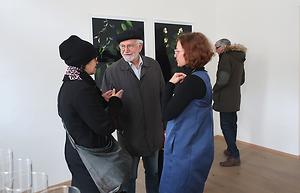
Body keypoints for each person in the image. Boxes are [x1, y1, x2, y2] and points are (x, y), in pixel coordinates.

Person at [57, 35, 124, 193]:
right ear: (83, 63)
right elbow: (104, 126)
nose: (97, 62)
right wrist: (115, 102)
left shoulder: (70, 84)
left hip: (76, 150)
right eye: (94, 59)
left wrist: (101, 100)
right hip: (88, 157)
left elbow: (82, 112)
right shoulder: (81, 89)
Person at [101, 29, 165, 193]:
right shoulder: (112, 71)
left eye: (129, 46)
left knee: (154, 173)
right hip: (129, 135)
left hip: (153, 133)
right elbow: (106, 104)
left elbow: (162, 97)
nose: (125, 50)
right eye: (122, 46)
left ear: (140, 47)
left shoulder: (154, 66)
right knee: (129, 178)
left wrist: (164, 126)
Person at [159, 32, 214, 193]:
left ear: (190, 52)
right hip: (196, 146)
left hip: (186, 151)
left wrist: (169, 85)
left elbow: (167, 113)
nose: (174, 53)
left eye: (177, 50)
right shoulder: (202, 76)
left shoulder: (192, 81)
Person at [213, 38, 247, 167]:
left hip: (225, 99)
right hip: (235, 97)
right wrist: (233, 86)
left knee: (226, 125)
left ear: (224, 47)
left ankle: (234, 155)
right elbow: (242, 80)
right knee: (232, 124)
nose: (216, 50)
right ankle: (230, 149)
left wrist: (214, 89)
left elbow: (222, 80)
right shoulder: (238, 58)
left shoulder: (225, 57)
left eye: (217, 47)